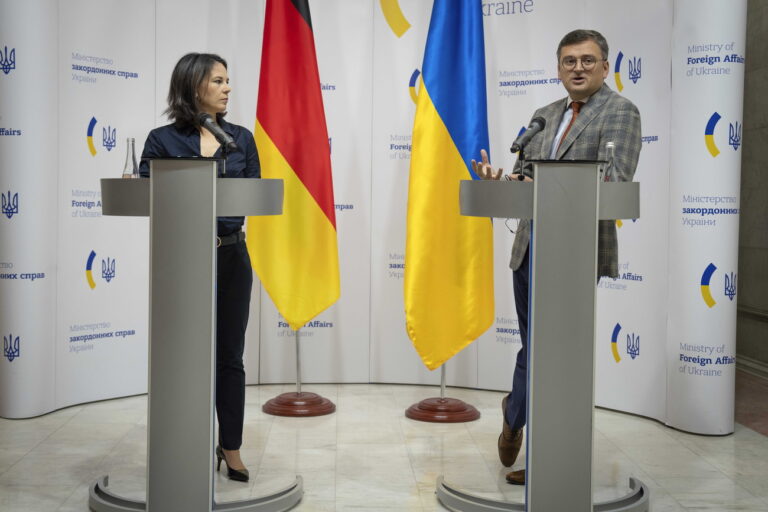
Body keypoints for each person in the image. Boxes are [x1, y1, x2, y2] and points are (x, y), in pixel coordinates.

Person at [472, 29, 642, 485]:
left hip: (576, 252)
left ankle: (532, 439)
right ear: (558, 67)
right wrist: (501, 181)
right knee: (536, 348)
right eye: (569, 61)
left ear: (605, 67)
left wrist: (543, 189)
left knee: (557, 355)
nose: (578, 68)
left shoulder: (621, 112)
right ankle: (515, 416)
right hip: (529, 250)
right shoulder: (543, 116)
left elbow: (615, 184)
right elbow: (527, 181)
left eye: (588, 60)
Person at [139, 52, 260, 482]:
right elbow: (147, 194)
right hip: (182, 261)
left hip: (230, 257)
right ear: (194, 87)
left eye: (229, 81)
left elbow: (253, 196)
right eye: (218, 81)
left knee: (230, 357)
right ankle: (186, 444)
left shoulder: (241, 139)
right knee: (184, 358)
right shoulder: (161, 141)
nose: (228, 88)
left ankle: (231, 447)